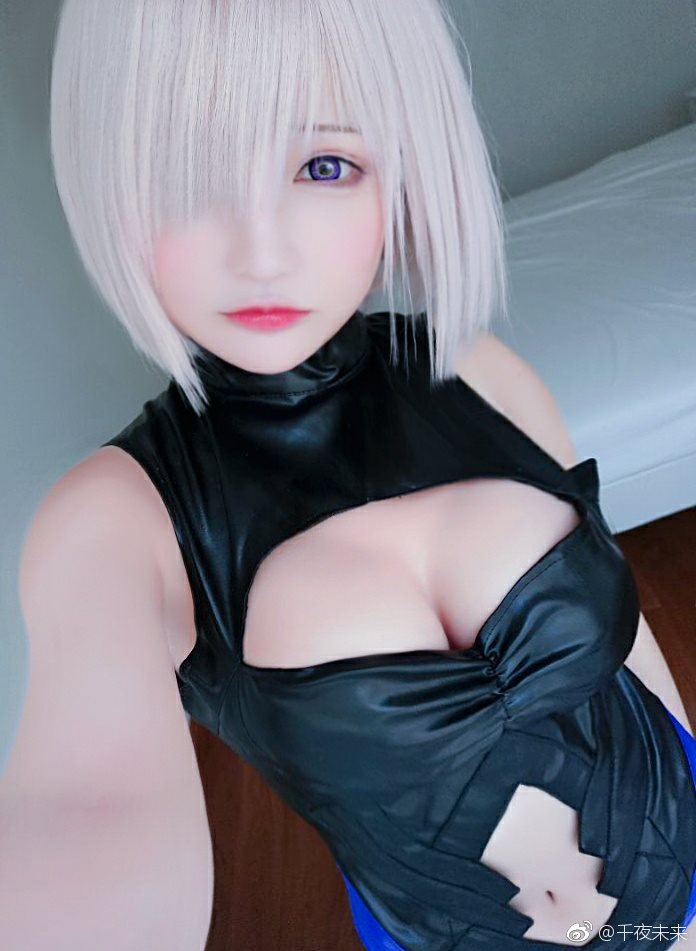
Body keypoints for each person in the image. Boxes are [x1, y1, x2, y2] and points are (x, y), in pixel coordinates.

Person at [2, 1, 695, 948]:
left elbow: (627, 647)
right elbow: (88, 813)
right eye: (187, 174)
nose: (262, 249)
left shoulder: (479, 371)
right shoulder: (116, 523)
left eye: (324, 166)